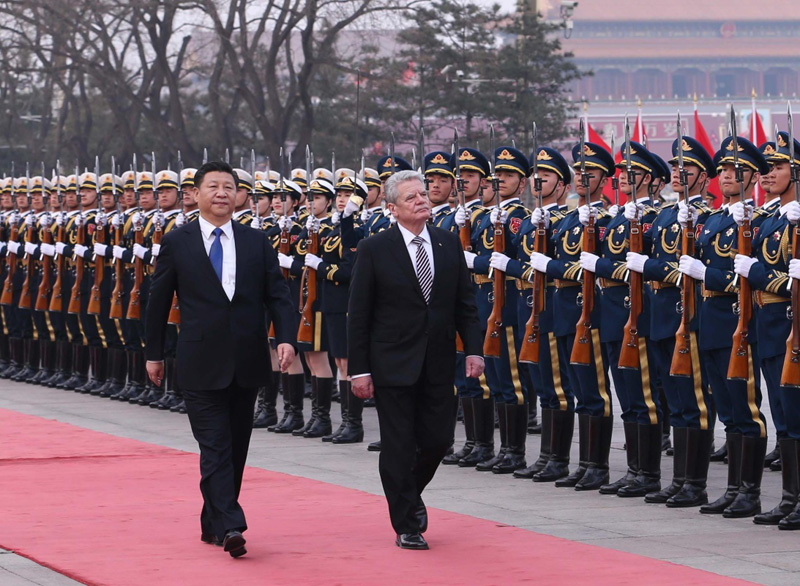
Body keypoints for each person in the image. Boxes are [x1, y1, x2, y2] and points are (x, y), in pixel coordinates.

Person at [145, 161, 296, 558]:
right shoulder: (178, 241)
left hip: (246, 358)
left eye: (229, 186)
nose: (222, 193)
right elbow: (158, 300)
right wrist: (153, 354)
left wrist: (286, 339)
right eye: (213, 186)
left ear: (239, 194)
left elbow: (277, 294)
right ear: (195, 194)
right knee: (214, 446)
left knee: (237, 446)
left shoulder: (255, 240)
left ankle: (213, 520)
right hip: (199, 358)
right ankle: (231, 523)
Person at [348, 169, 484, 550]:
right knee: (399, 444)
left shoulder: (446, 243)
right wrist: (359, 370)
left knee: (439, 439)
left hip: (439, 361)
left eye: (423, 194)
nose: (422, 201)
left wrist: (473, 349)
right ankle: (407, 522)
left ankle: (408, 490)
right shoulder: (375, 249)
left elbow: (465, 304)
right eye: (411, 197)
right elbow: (358, 315)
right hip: (392, 364)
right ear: (392, 208)